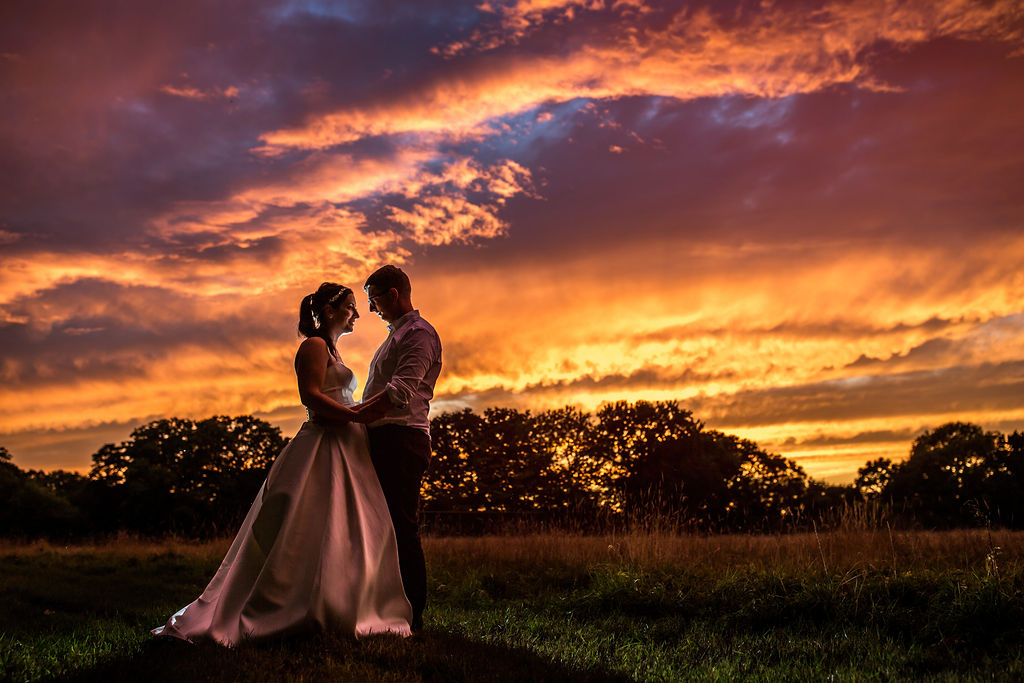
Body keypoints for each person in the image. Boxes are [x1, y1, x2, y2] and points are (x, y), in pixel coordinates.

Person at [151, 283, 413, 645]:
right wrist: (355, 416)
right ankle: (288, 606)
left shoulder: (333, 350)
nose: (357, 314)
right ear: (332, 310)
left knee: (348, 528)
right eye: (351, 307)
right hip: (324, 444)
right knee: (307, 525)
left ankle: (343, 604)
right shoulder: (314, 346)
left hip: (349, 449)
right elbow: (311, 396)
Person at [362, 265, 442, 633]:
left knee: (400, 526)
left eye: (374, 299)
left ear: (393, 294)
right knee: (381, 527)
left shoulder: (419, 335)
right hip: (384, 438)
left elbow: (399, 394)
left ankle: (413, 614)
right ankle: (384, 607)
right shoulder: (395, 336)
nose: (372, 309)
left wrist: (350, 417)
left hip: (401, 439)